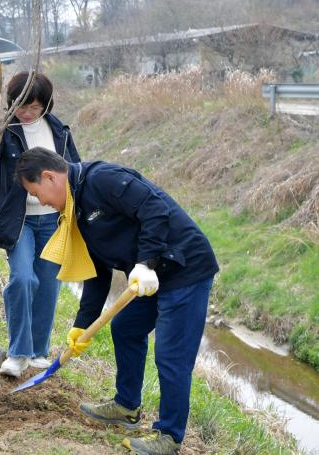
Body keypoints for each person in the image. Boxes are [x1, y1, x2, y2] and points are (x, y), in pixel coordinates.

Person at [15, 148, 219, 455]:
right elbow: (97, 272)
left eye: (35, 193)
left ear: (49, 177)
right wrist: (82, 325)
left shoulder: (102, 180)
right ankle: (127, 407)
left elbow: (155, 209)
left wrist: (146, 262)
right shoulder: (76, 209)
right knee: (125, 327)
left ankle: (169, 436)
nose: (40, 201)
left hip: (184, 267)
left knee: (171, 354)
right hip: (153, 275)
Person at [0, 72, 81, 378]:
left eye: (34, 107)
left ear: (45, 105)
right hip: (19, 218)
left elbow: (74, 168)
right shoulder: (6, 130)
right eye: (21, 105)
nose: (26, 112)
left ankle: (37, 351)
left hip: (52, 217)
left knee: (49, 283)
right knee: (23, 278)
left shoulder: (58, 130)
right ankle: (18, 352)